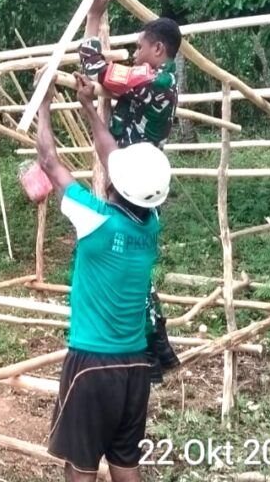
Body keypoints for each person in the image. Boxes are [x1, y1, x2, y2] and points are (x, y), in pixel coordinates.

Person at [35, 76, 172, 482]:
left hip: (92, 363)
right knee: (125, 463)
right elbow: (113, 155)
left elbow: (48, 161)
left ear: (116, 182)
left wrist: (44, 103)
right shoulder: (150, 226)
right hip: (135, 367)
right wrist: (87, 107)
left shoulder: (95, 220)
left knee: (80, 468)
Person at [77, 0, 182, 149]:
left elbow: (93, 65)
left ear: (158, 48)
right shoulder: (169, 79)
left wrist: (93, 16)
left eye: (140, 47)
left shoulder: (151, 80)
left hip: (131, 167)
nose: (135, 55)